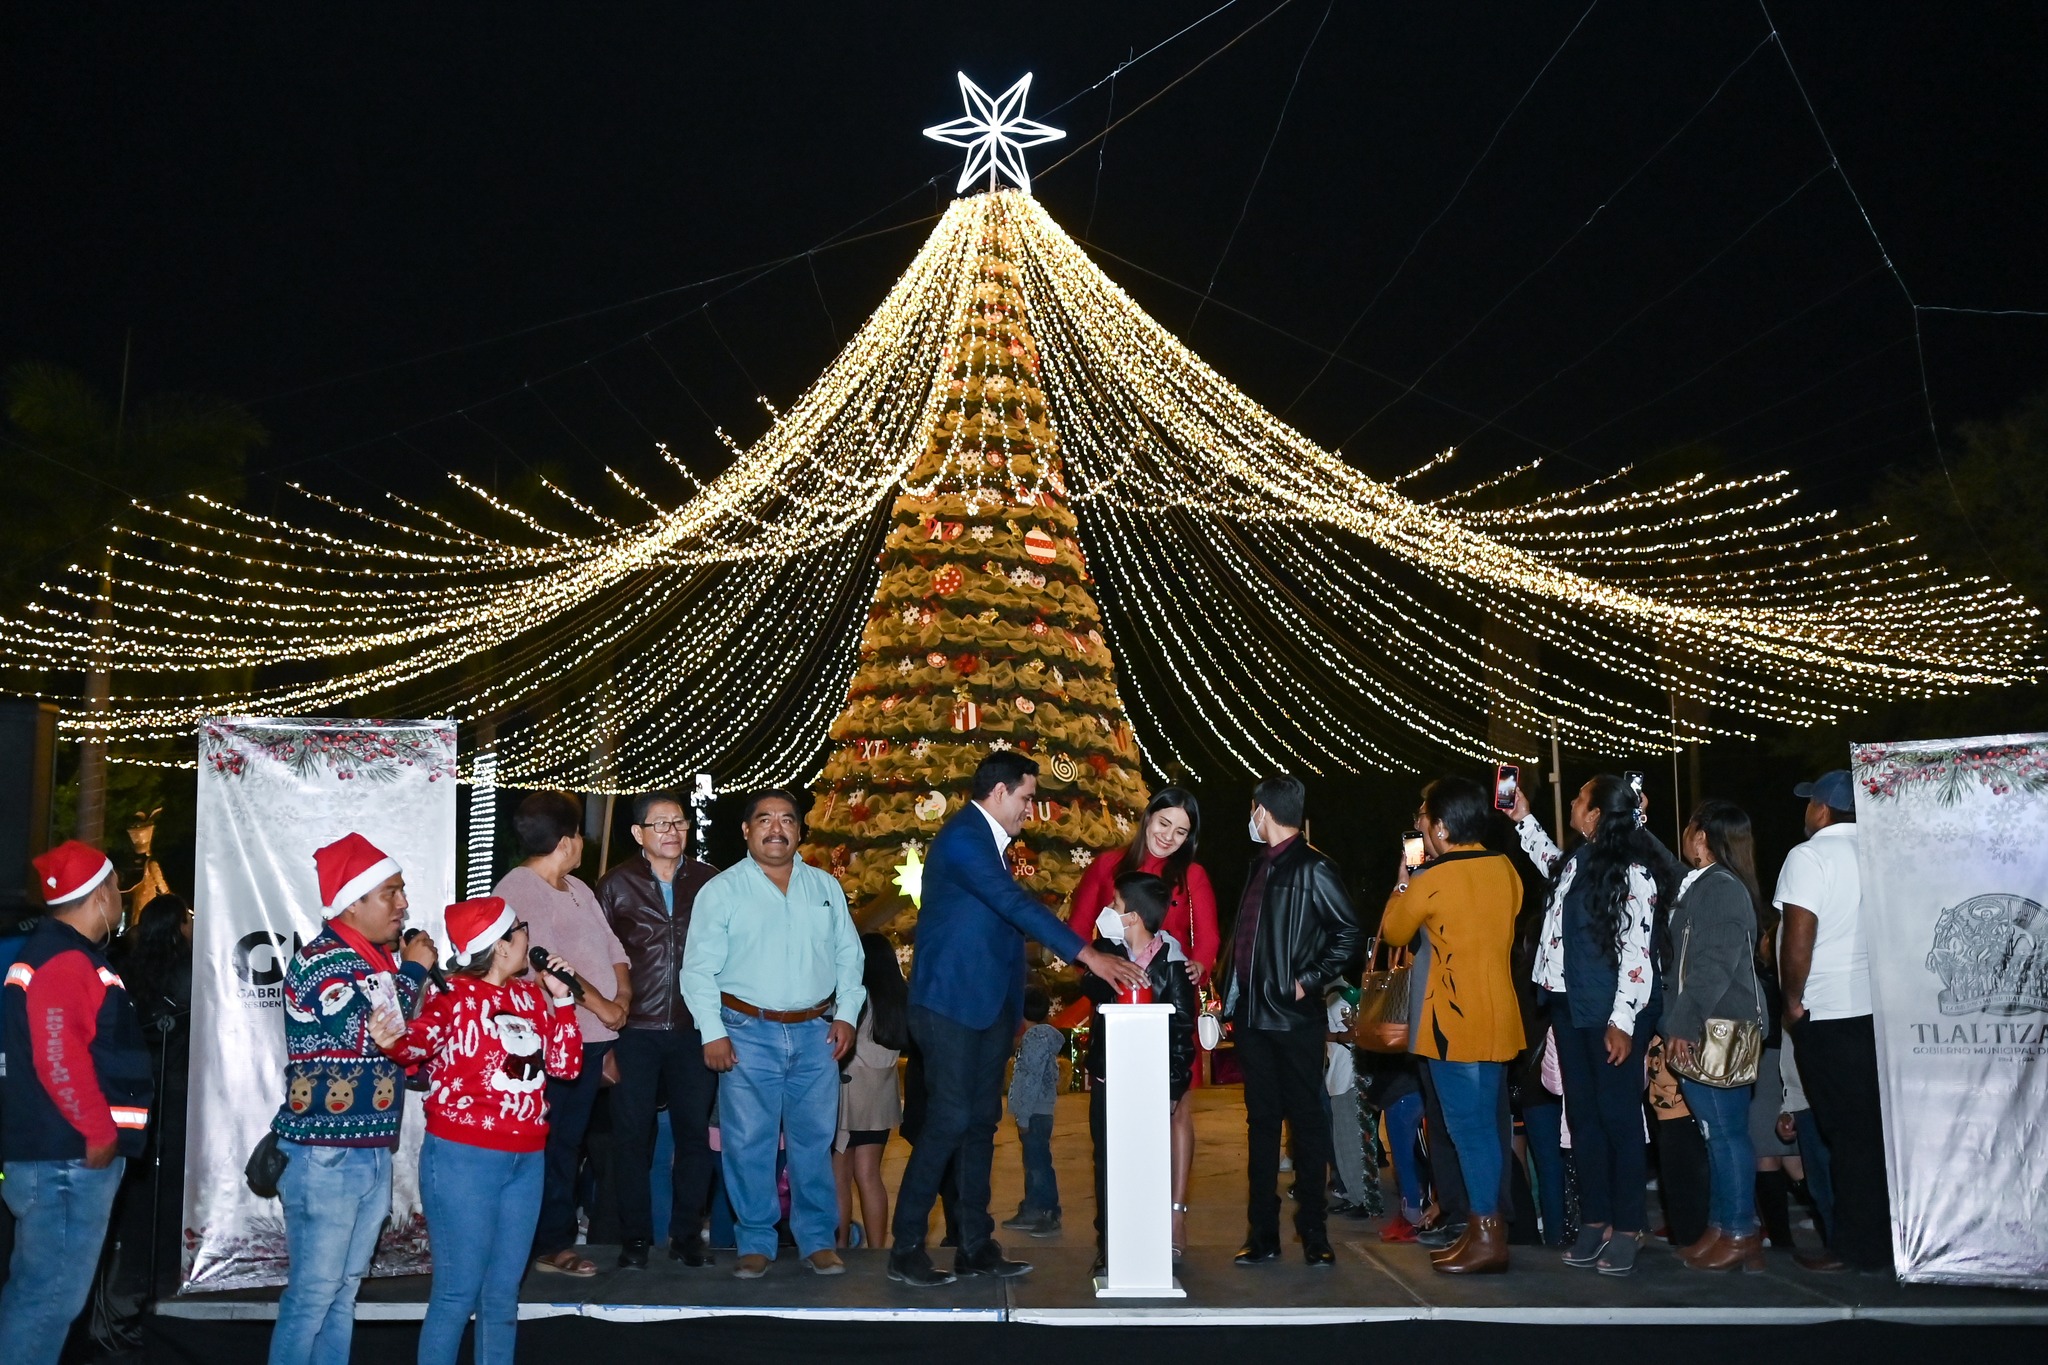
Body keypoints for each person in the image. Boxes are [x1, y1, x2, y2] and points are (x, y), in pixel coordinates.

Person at [886, 752, 1147, 1288]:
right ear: (1000, 792)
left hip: (986, 1010)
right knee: (949, 1120)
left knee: (981, 1124)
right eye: (1027, 797)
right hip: (948, 1006)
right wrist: (1087, 954)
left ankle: (974, 1246)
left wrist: (1014, 1011)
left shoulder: (993, 846)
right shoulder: (964, 838)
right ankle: (905, 1247)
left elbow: (1001, 929)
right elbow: (1012, 904)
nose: (1031, 809)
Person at [368, 898, 581, 1365]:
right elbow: (412, 1044)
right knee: (456, 1293)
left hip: (526, 1159)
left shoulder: (529, 996)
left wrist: (562, 999)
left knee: (502, 1296)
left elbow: (566, 1066)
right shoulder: (454, 999)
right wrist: (391, 1038)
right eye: (520, 928)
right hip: (464, 1158)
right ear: (502, 946)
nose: (529, 935)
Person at [679, 789, 865, 1280]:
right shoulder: (722, 891)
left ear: (800, 831)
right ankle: (756, 1240)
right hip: (745, 1033)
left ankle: (817, 1241)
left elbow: (850, 957)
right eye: (764, 819)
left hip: (817, 1035)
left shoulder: (824, 886)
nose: (776, 828)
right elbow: (696, 970)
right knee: (748, 1142)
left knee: (814, 1141)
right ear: (747, 830)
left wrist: (846, 1015)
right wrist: (712, 1033)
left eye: (786, 820)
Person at [267, 833, 438, 1365]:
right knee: (315, 1296)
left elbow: (404, 1047)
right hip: (325, 1155)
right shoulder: (325, 962)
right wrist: (414, 971)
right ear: (352, 901)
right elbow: (366, 1035)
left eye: (402, 891)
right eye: (391, 892)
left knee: (342, 1294)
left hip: (366, 1150)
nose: (403, 903)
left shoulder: (374, 962)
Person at [1517, 775, 1680, 1276]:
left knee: (1619, 1119)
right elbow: (1549, 862)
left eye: (1580, 797)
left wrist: (1624, 1022)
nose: (1571, 800)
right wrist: (1521, 818)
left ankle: (1628, 1225)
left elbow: (1637, 953)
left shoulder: (1634, 873)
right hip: (1569, 1006)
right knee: (1582, 1116)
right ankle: (1596, 1220)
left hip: (1612, 1011)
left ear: (1593, 815)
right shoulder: (1577, 862)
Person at [0, 841, 152, 1365]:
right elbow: (57, 1052)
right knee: (47, 1301)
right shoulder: (66, 959)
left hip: (54, 1155)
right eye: (117, 888)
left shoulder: (53, 952)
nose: (120, 900)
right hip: (67, 1159)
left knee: (39, 1296)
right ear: (102, 893)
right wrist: (99, 1130)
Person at [1215, 773, 1365, 1269]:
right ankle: (1262, 1234)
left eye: (1253, 809)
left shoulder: (1314, 868)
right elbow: (1246, 940)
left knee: (1306, 1123)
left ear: (1264, 810)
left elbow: (1348, 933)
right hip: (1254, 1021)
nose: (1250, 818)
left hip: (1294, 1020)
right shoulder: (1258, 867)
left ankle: (1315, 1233)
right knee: (1261, 1126)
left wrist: (1306, 981)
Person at [1379, 777, 1525, 1274]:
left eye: (1425, 816)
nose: (1421, 822)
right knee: (1487, 1127)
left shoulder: (1432, 878)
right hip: (1498, 1014)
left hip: (1452, 1019)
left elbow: (1395, 930)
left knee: (1468, 1130)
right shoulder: (1505, 869)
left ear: (1441, 827)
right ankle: (1486, 1232)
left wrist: (1405, 878)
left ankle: (1486, 1236)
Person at [1065, 788, 1218, 1255]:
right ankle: (1116, 1228)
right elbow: (1074, 933)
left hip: (1170, 1011)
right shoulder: (1107, 864)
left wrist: (1198, 967)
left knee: (1175, 1108)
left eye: (1181, 831)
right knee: (1113, 1118)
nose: (1169, 837)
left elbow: (1208, 939)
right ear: (1147, 817)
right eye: (1163, 823)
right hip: (1118, 1010)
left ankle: (1174, 1215)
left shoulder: (1192, 875)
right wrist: (1099, 967)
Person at [494, 791, 631, 1280]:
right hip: (553, 1038)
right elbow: (544, 961)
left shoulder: (576, 887)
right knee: (552, 1144)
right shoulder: (519, 889)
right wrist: (605, 1007)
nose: (581, 844)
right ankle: (549, 1242)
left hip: (593, 1036)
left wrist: (623, 1000)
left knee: (569, 1143)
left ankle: (551, 1234)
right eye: (578, 836)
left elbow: (613, 946)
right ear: (566, 840)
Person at [596, 790, 720, 1269]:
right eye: (661, 824)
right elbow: (601, 958)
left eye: (679, 823)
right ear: (638, 834)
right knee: (632, 1138)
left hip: (694, 1026)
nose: (673, 831)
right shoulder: (614, 885)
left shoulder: (710, 881)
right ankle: (635, 1241)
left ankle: (688, 1236)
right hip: (635, 1029)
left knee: (694, 1136)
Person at [1773, 770, 1891, 1275]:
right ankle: (1881, 1243)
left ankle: (1856, 1250)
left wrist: (1792, 1000)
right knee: (1872, 1136)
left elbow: (1799, 933)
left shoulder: (1809, 855)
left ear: (1823, 809)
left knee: (1844, 1140)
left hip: (1828, 1013)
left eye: (1809, 803)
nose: (1806, 812)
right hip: (1877, 1013)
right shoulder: (1881, 853)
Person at [1075, 871, 1198, 1276]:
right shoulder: (1106, 953)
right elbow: (1090, 988)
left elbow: (1182, 1033)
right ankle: (1108, 1244)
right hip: (1110, 1083)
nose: (1108, 911)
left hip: (1150, 1088)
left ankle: (1149, 1242)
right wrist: (1107, 964)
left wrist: (1174, 1087)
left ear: (1135, 917)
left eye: (1115, 905)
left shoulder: (1172, 965)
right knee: (1107, 1164)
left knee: (1146, 1166)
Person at [1665, 799, 1770, 1272]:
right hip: (1707, 1022)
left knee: (1726, 1134)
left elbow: (1711, 967)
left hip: (1718, 1025)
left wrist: (1682, 1024)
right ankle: (1722, 1225)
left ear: (1702, 837)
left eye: (1690, 829)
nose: (1685, 836)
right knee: (1715, 1134)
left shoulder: (1721, 890)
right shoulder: (1706, 884)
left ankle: (1741, 1231)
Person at [836, 933, 908, 1249]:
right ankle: (878, 1249)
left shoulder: (857, 997)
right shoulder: (899, 996)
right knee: (870, 1177)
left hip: (849, 1097)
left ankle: (838, 1247)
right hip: (881, 1097)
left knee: (838, 1177)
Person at [1001, 986, 1063, 1238]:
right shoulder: (1040, 1036)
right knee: (1033, 1162)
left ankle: (1048, 1211)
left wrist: (1023, 1115)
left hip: (1034, 1112)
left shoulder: (1035, 1038)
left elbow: (1031, 1079)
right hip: (1038, 1110)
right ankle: (1032, 1208)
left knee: (1038, 1164)